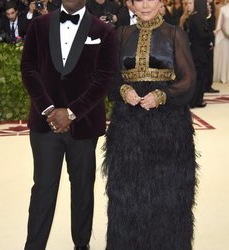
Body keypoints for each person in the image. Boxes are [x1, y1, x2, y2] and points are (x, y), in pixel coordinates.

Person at [20, 0, 118, 248]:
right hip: (45, 124)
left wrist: (72, 112)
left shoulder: (103, 31)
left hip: (84, 125)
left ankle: (81, 245)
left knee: (83, 189)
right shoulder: (39, 25)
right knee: (43, 188)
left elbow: (105, 78)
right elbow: (28, 69)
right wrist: (50, 109)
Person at [102, 0, 198, 249]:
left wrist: (162, 95)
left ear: (161, 3)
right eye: (138, 0)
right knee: (127, 193)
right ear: (130, 4)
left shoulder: (174, 33)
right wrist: (123, 90)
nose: (145, 5)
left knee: (167, 192)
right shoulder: (121, 34)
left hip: (168, 126)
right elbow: (109, 76)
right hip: (127, 126)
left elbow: (188, 80)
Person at [184, 0, 215, 108]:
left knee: (198, 77)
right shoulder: (197, 17)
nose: (188, 6)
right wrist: (213, 33)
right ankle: (196, 101)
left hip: (196, 51)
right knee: (199, 77)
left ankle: (196, 100)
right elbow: (202, 35)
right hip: (198, 52)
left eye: (190, 3)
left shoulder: (195, 16)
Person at [213, 0, 229, 83]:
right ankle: (223, 77)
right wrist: (226, 33)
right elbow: (220, 23)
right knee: (225, 55)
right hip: (225, 36)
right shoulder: (223, 9)